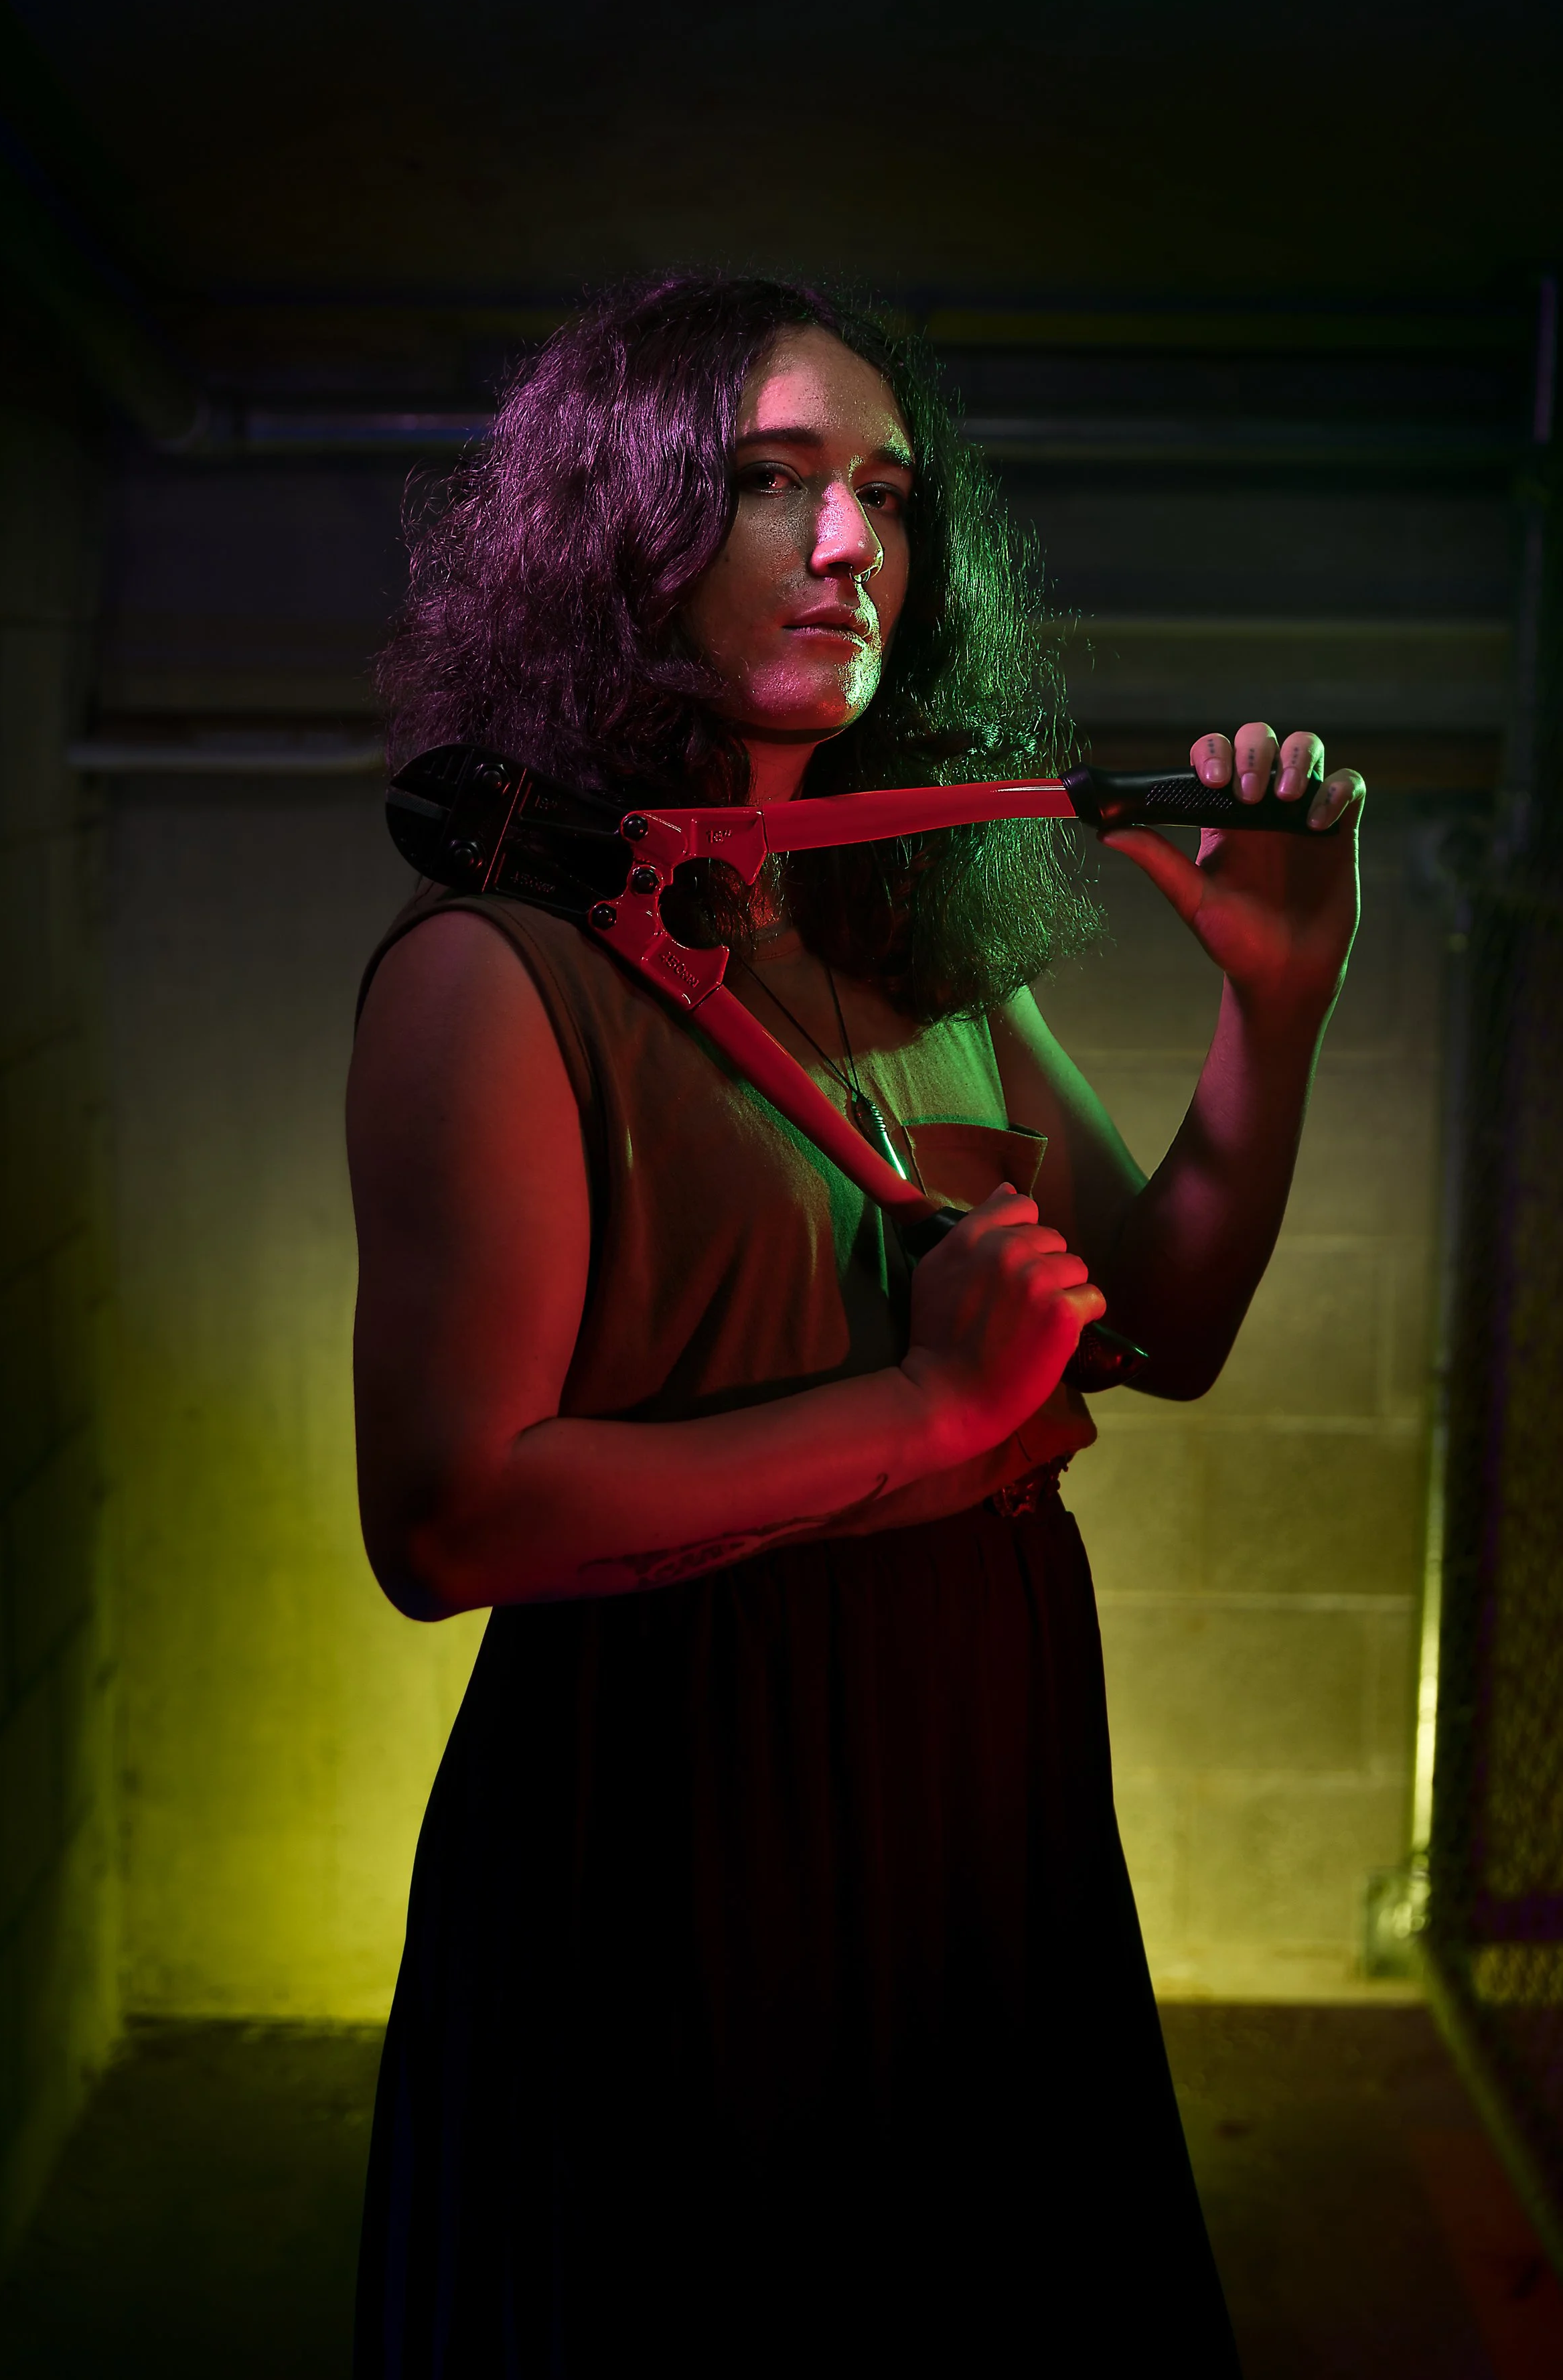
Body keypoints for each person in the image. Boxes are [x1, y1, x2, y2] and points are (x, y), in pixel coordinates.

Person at [348, 275, 1361, 2378]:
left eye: (886, 497)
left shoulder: (920, 933)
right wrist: (919, 1410)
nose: (848, 549)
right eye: (768, 484)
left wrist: (1273, 1016)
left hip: (975, 1773)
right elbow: (447, 1521)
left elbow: (1162, 1328)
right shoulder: (492, 976)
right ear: (613, 529)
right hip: (682, 1808)